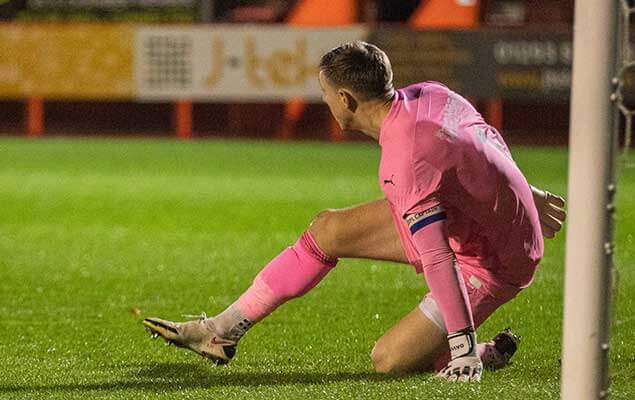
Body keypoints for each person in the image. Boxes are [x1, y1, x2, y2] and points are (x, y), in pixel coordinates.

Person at [143, 41, 566, 382]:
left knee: (390, 359)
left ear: (345, 99)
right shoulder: (431, 93)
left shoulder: (405, 160)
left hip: (494, 260)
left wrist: (463, 347)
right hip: (475, 217)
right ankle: (222, 331)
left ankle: (479, 352)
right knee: (326, 230)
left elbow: (440, 257)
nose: (325, 102)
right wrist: (526, 193)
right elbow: (484, 140)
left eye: (325, 95)